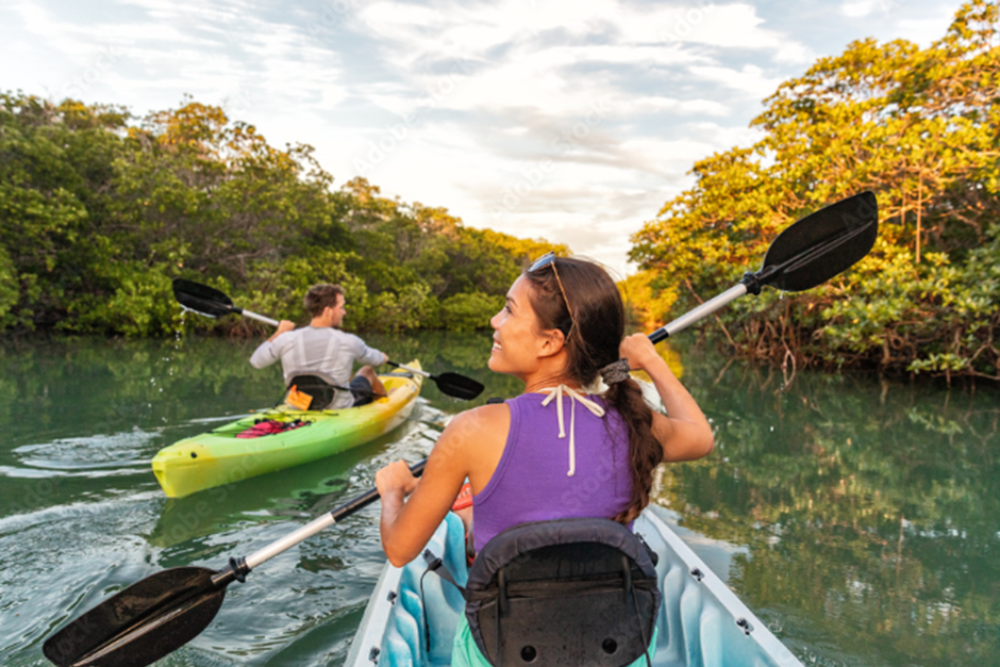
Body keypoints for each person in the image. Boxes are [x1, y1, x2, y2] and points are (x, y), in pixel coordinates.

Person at [374, 254, 715, 665]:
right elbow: (701, 437)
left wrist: (392, 492)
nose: (494, 321)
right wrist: (651, 361)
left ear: (550, 342)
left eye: (508, 310)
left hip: (504, 652)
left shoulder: (472, 429)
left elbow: (399, 550)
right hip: (614, 650)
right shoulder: (635, 422)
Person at [250, 283, 388, 409]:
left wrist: (279, 333)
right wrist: (383, 357)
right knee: (367, 371)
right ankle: (387, 402)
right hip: (338, 408)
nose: (344, 312)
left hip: (298, 406)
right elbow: (376, 360)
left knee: (348, 372)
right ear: (328, 311)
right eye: (341, 307)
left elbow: (256, 361)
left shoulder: (286, 338)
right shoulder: (349, 341)